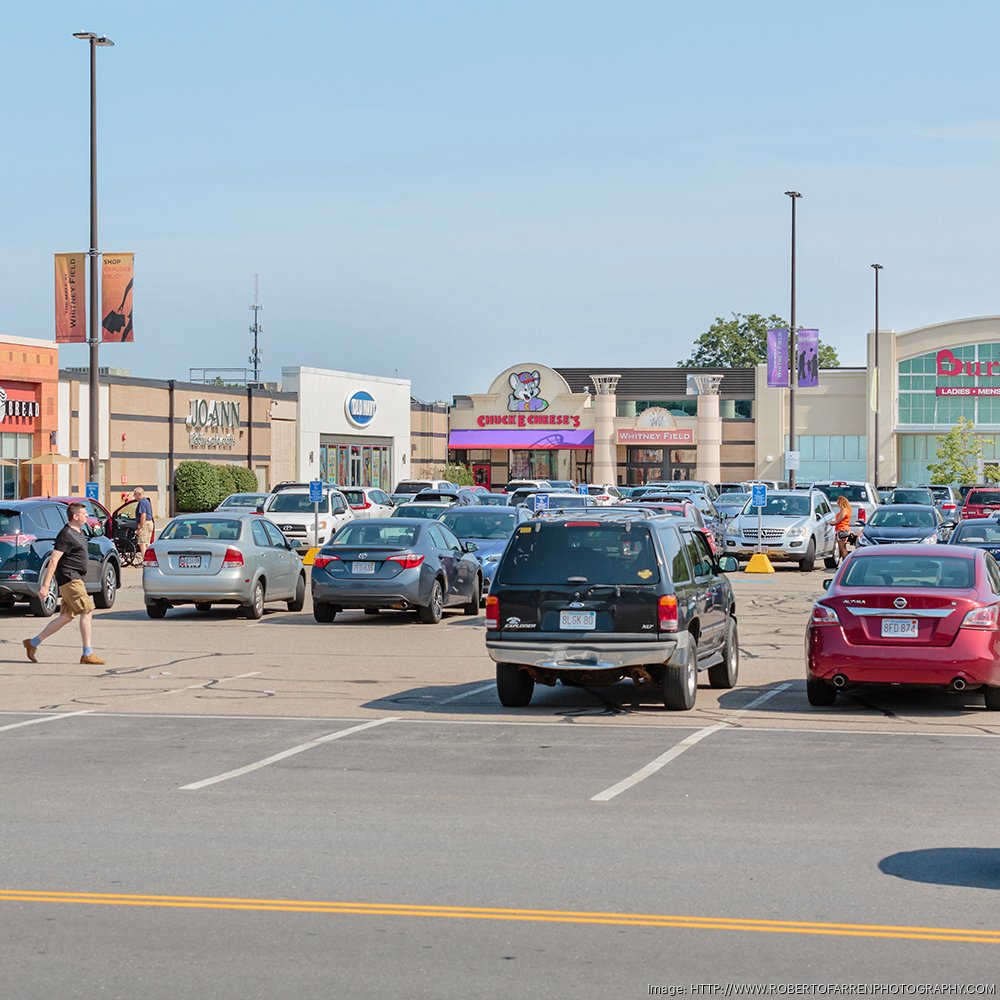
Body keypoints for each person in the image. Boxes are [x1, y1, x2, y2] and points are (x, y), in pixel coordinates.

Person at [22, 502, 105, 666]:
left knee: (67, 616)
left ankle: (33, 643)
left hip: (76, 578)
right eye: (84, 513)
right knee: (87, 610)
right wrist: (45, 586)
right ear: (75, 516)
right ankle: (87, 653)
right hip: (70, 577)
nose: (87, 516)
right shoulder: (65, 535)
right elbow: (53, 560)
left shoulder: (79, 532)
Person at [134, 487, 154, 558]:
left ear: (139, 494)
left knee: (142, 543)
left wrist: (140, 526)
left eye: (135, 494)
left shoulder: (142, 502)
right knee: (147, 543)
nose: (134, 496)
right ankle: (149, 559)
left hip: (145, 524)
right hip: (150, 523)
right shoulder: (146, 501)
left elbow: (143, 515)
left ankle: (145, 561)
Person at [832, 494, 852, 559]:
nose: (837, 504)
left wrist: (830, 523)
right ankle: (845, 561)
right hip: (844, 529)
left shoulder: (844, 510)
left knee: (842, 548)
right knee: (844, 547)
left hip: (842, 529)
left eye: (838, 502)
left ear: (841, 502)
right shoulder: (847, 509)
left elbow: (838, 521)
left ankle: (845, 561)